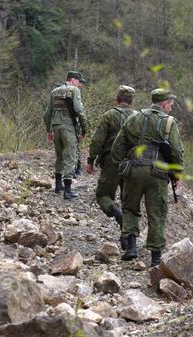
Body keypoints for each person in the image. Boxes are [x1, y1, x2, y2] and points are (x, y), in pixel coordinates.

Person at [110, 88, 184, 267]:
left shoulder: (134, 117)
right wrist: (177, 173)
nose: (171, 108)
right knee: (156, 213)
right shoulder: (169, 123)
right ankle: (156, 258)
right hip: (157, 173)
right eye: (171, 104)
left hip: (134, 170)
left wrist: (122, 164)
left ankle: (131, 248)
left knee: (130, 208)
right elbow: (176, 151)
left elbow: (117, 147)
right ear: (164, 103)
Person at [86, 85, 137, 250]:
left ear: (117, 99)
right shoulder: (139, 118)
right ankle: (129, 243)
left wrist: (90, 159)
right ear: (131, 101)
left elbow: (97, 140)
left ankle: (116, 212)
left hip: (111, 163)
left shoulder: (109, 115)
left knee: (103, 195)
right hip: (133, 164)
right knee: (129, 202)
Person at [43, 71, 87, 200]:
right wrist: (84, 129)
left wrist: (49, 130)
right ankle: (68, 190)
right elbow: (79, 110)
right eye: (79, 81)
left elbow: (47, 114)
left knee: (60, 155)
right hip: (68, 127)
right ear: (73, 80)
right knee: (70, 156)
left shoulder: (54, 91)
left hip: (56, 126)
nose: (80, 85)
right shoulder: (74, 91)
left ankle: (58, 185)